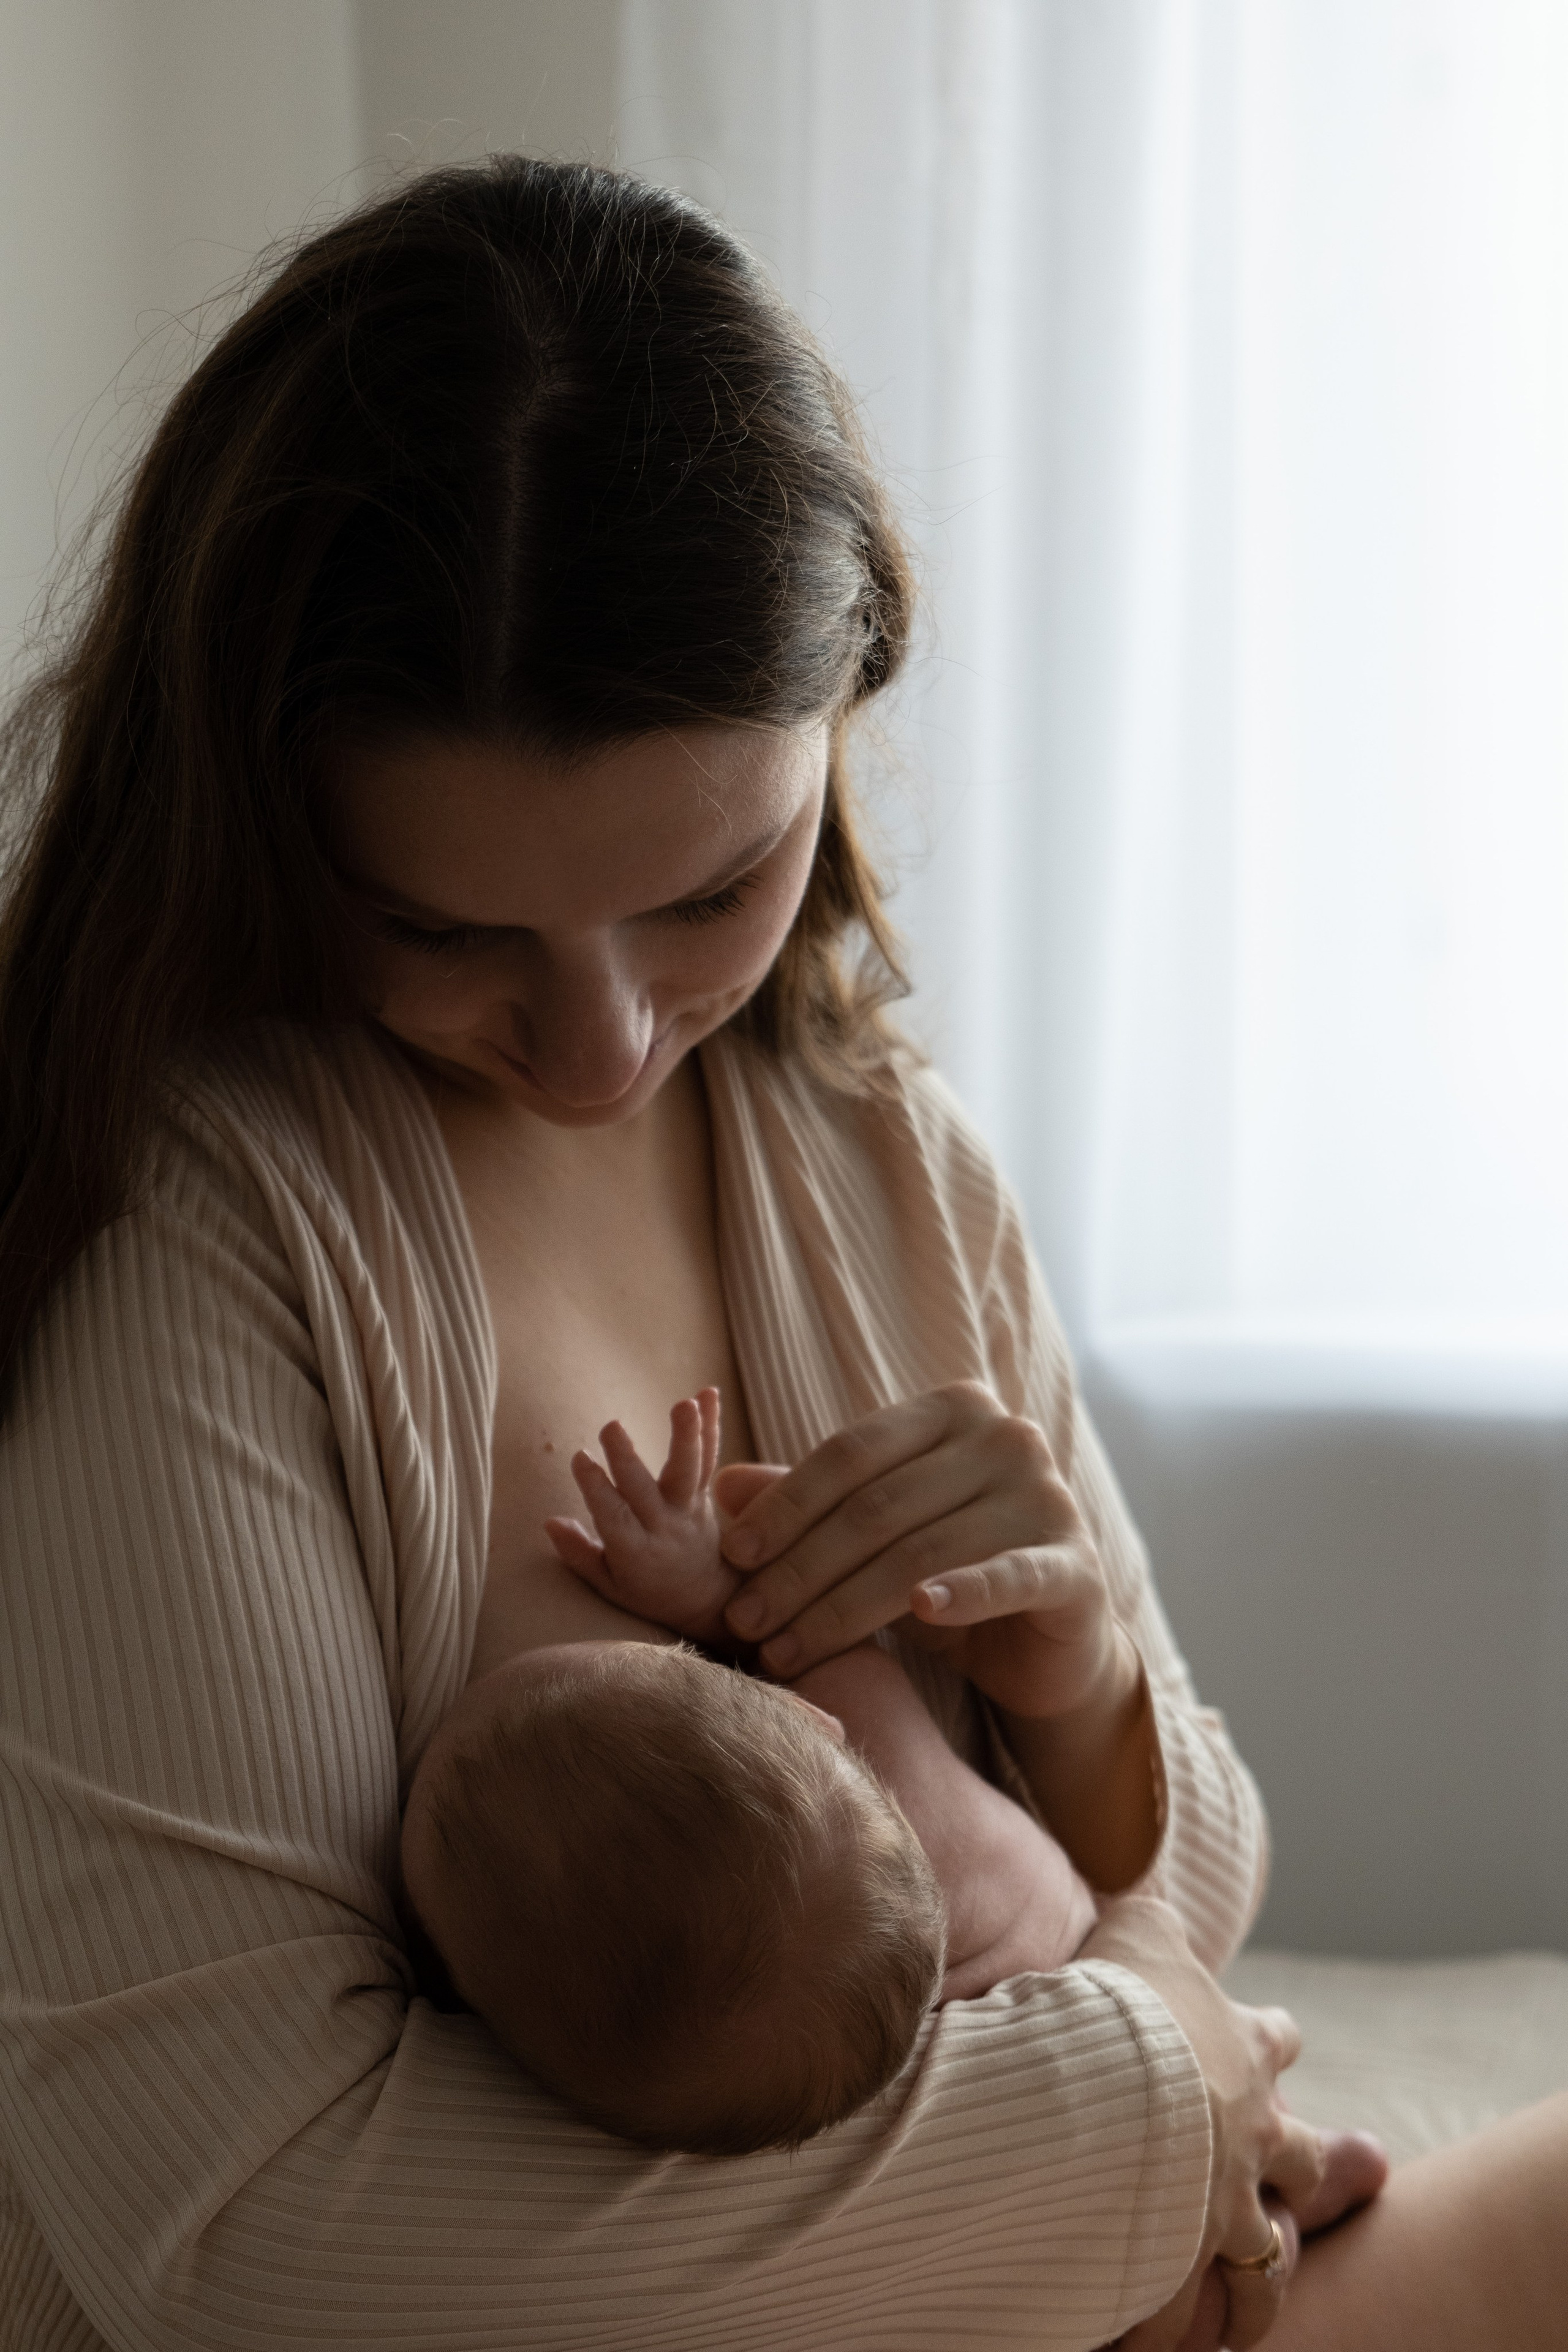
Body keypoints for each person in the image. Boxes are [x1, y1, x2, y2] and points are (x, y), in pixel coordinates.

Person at [0, 153, 1557, 2352]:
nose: (601, 1043)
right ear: (264, 821)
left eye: (711, 886)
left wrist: (1081, 1678)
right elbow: (245, 2238)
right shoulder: (195, 1223)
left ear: (843, 728)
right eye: (448, 930)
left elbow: (1183, 1889)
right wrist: (1144, 2103)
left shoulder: (870, 1144)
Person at [399, 1391, 1096, 2154]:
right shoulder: (865, 1722)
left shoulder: (719, 2065)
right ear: (811, 1720)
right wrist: (706, 1590)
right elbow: (803, 1638)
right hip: (1095, 1957)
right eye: (677, 1661)